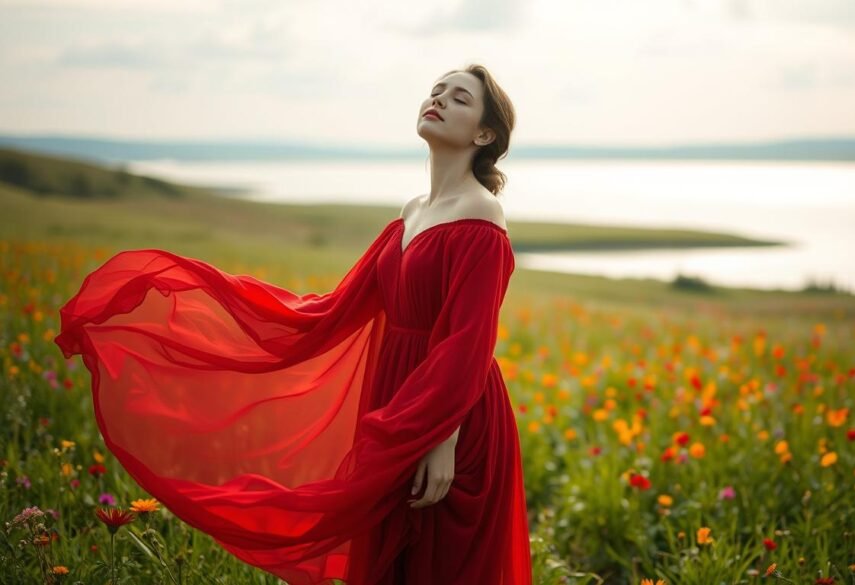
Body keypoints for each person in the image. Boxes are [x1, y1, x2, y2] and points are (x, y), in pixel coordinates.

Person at [53, 63, 532, 585]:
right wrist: (209, 300)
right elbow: (337, 308)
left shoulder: (482, 215)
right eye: (436, 90)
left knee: (439, 565)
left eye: (459, 98)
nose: (437, 99)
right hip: (397, 396)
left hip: (451, 415)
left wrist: (443, 437)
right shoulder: (413, 210)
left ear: (484, 135)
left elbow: (467, 341)